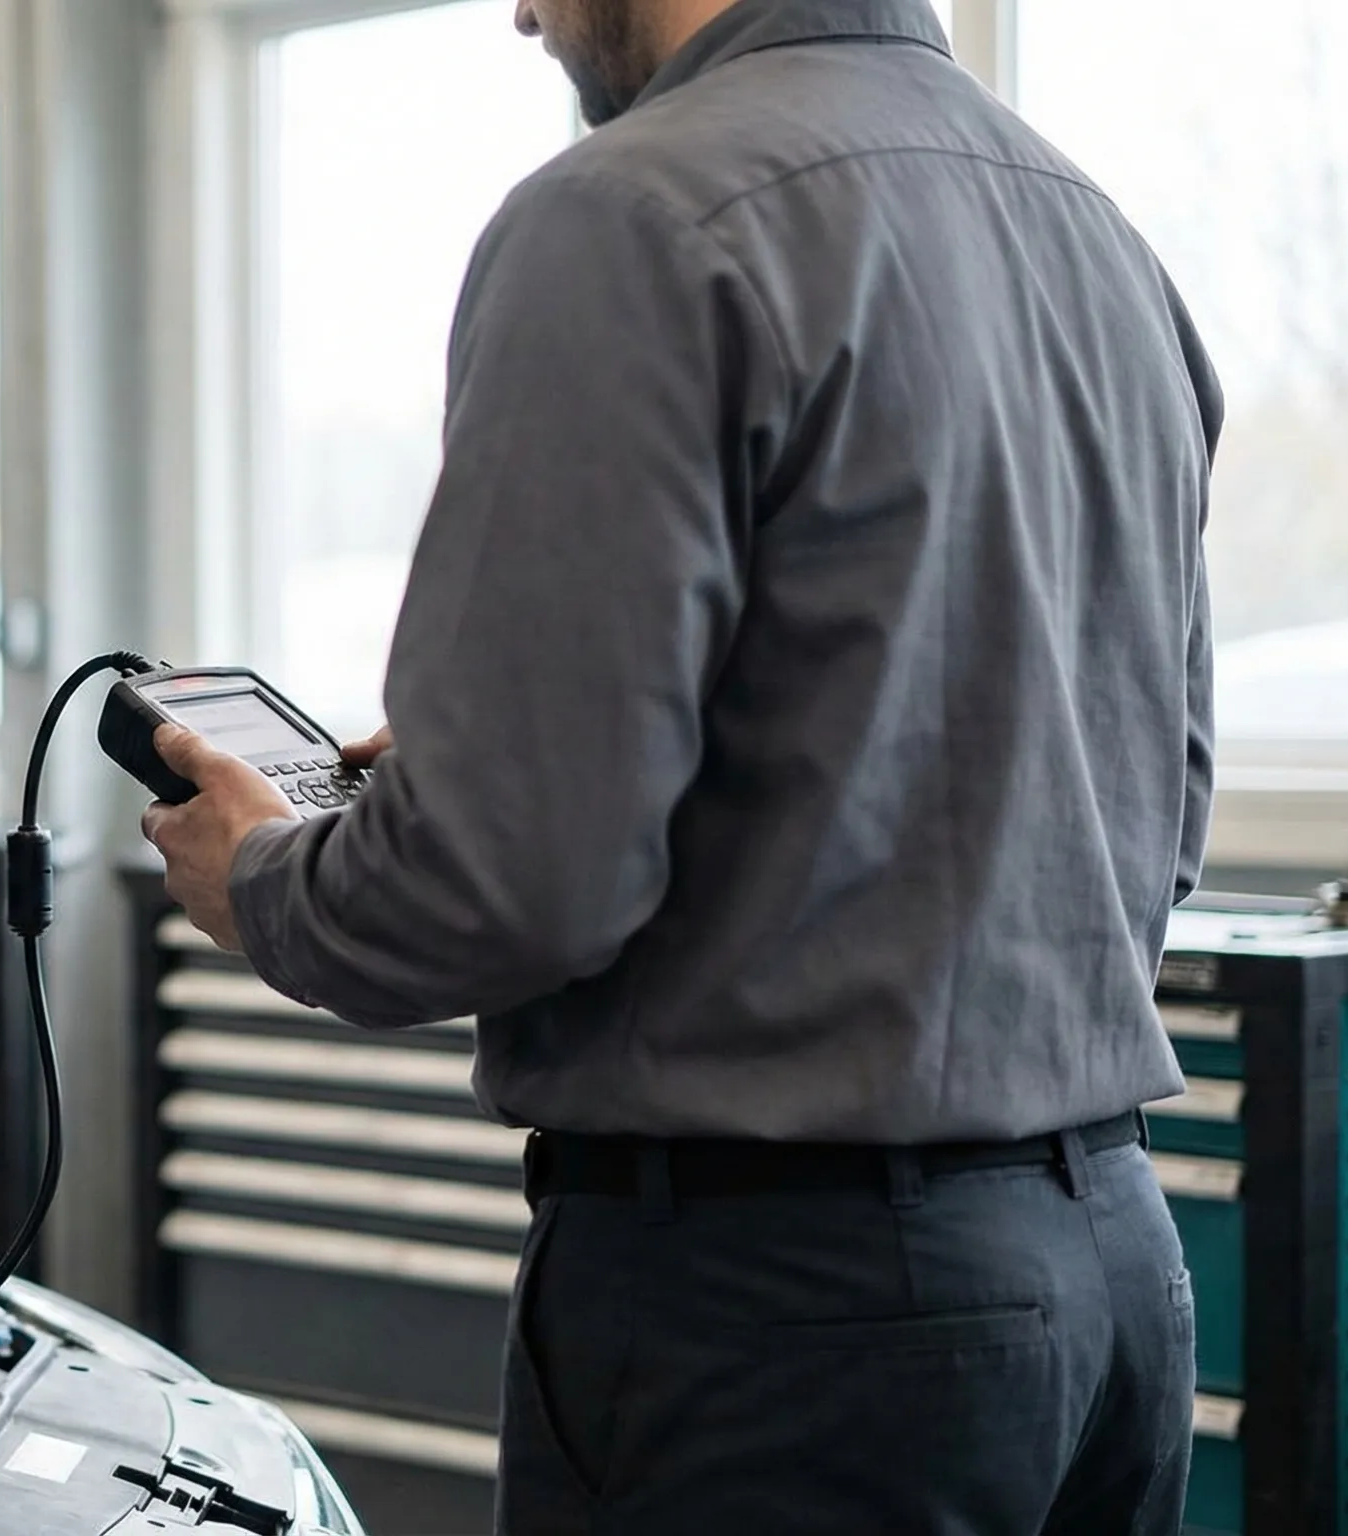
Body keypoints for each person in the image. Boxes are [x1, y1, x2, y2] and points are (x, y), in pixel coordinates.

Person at [139, 0, 1222, 1531]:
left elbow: (511, 884)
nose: (520, 11)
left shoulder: (629, 215)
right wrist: (521, 760)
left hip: (786, 1321)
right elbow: (1146, 809)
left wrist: (267, 878)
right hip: (1112, 1275)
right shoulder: (1101, 241)